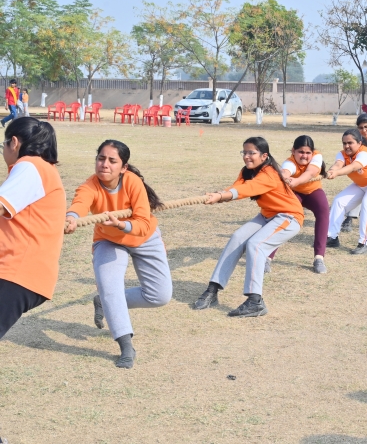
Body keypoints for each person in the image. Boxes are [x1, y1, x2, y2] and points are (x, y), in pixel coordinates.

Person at [65, 140, 172, 369]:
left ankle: (104, 301)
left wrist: (122, 225)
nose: (104, 164)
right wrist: (71, 217)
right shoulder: (90, 185)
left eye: (112, 161)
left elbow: (143, 223)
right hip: (108, 240)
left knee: (159, 296)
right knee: (110, 287)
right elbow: (80, 204)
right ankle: (126, 346)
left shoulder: (133, 182)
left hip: (143, 237)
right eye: (101, 158)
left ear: (123, 167)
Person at [194, 136, 304, 317]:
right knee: (237, 237)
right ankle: (213, 289)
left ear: (264, 156)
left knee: (256, 245)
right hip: (267, 215)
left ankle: (255, 301)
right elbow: (238, 186)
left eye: (251, 153)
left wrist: (222, 196)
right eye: (244, 152)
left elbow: (248, 189)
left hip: (288, 217)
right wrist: (221, 194)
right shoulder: (247, 171)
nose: (246, 156)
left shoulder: (269, 173)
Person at [0, 118, 65, 339]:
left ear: (14, 142)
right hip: (18, 272)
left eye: (3, 145)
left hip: (17, 271)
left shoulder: (30, 165)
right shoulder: (42, 168)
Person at [268, 135, 329, 274]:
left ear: (312, 152)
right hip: (294, 193)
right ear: (293, 151)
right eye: (301, 152)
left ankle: (319, 258)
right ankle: (268, 257)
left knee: (324, 211)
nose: (304, 156)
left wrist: (296, 181)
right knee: (284, 217)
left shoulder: (317, 157)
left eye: (308, 152)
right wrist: (283, 177)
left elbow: (310, 172)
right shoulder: (289, 162)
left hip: (313, 191)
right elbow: (286, 171)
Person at [326, 128, 367, 255]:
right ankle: (332, 237)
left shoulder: (364, 154)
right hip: (362, 184)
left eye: (350, 143)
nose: (347, 146)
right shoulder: (342, 154)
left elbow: (353, 167)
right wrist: (331, 171)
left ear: (359, 143)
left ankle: (365, 243)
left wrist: (337, 173)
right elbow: (338, 164)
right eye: (344, 143)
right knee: (339, 201)